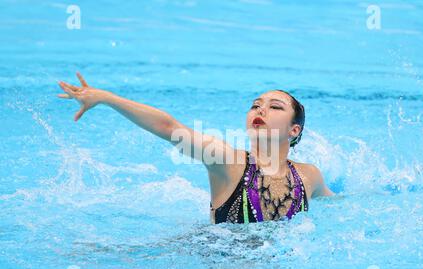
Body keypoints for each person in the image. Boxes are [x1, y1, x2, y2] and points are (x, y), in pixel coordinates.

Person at [58, 72, 335, 224]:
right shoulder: (228, 161)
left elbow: (338, 203)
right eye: (255, 104)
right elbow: (169, 128)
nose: (261, 108)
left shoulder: (309, 177)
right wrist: (106, 98)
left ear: (293, 130)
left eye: (275, 107)